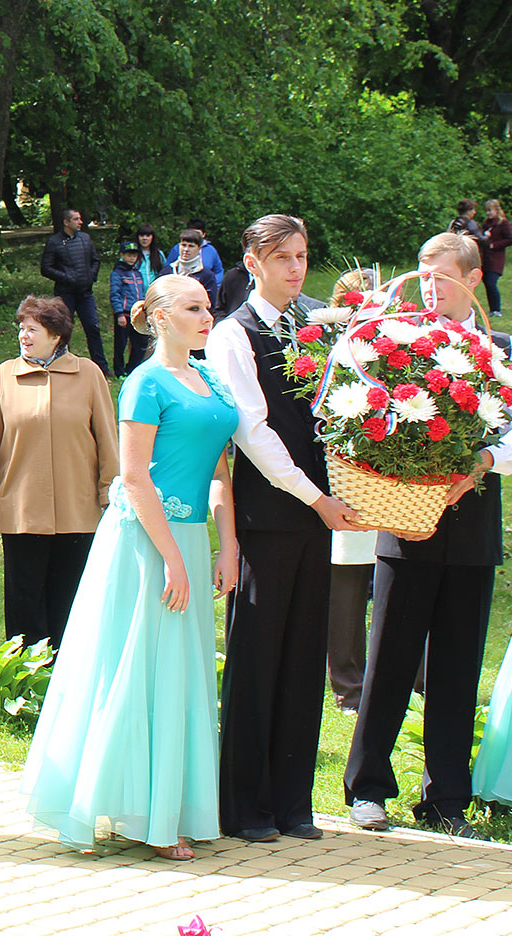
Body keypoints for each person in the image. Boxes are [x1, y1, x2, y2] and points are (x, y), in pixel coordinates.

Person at [23, 274, 240, 860]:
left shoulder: (212, 381)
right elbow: (135, 477)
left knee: (180, 673)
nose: (207, 316)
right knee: (139, 668)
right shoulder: (144, 383)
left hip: (192, 538)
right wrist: (172, 558)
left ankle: (168, 806)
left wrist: (229, 544)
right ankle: (143, 815)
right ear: (161, 317)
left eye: (209, 307)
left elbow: (222, 472)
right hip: (146, 543)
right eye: (194, 308)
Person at [345, 232, 512, 840]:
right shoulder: (388, 341)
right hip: (404, 523)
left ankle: (447, 798)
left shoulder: (502, 349)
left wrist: (479, 465)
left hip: (472, 525)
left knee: (457, 666)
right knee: (388, 658)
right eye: (421, 272)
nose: (428, 284)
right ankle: (368, 789)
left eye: (441, 274)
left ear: (473, 281)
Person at [205, 214, 364, 843]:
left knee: (303, 655)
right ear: (253, 261)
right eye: (282, 257)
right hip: (270, 513)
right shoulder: (230, 335)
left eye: (301, 256)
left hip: (318, 514)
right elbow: (252, 430)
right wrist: (314, 496)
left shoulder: (313, 325)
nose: (295, 268)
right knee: (259, 656)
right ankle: (245, 806)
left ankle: (293, 801)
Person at [0, 296, 119, 649]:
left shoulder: (88, 374)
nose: (23, 336)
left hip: (78, 510)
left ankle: (69, 670)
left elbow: (108, 438)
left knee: (71, 595)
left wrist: (111, 492)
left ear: (56, 336)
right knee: (24, 595)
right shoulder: (3, 376)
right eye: (21, 329)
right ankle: (24, 669)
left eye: (33, 329)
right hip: (22, 510)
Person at [322, 268, 382, 715]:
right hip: (345, 479)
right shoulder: (324, 350)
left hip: (393, 482)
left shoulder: (394, 349)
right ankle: (349, 683)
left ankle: (405, 677)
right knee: (346, 583)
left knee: (391, 586)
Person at [40, 209, 110, 375]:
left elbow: (95, 260)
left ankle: (102, 368)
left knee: (93, 327)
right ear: (66, 222)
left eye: (80, 219)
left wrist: (90, 276)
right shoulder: (54, 242)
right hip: (65, 294)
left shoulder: (85, 239)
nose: (80, 222)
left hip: (86, 293)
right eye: (76, 219)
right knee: (64, 329)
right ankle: (61, 365)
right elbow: (46, 268)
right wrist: (67, 277)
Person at [109, 242, 148, 375]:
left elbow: (141, 292)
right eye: (129, 255)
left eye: (135, 255)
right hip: (124, 314)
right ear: (122, 255)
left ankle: (132, 369)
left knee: (140, 344)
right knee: (121, 345)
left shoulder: (137, 273)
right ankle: (119, 371)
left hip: (137, 313)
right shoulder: (117, 273)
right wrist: (119, 313)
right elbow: (115, 294)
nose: (132, 258)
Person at [159, 229, 220, 308]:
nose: (186, 250)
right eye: (183, 245)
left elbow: (209, 306)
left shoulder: (207, 276)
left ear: (199, 249)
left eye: (191, 246)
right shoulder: (167, 272)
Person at [482, 199, 512, 313]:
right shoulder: (486, 223)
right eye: (487, 211)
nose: (488, 213)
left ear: (496, 210)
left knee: (491, 282)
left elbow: (510, 239)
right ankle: (492, 309)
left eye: (490, 210)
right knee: (487, 282)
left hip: (496, 258)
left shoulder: (503, 223)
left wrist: (494, 245)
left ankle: (496, 309)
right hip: (486, 258)